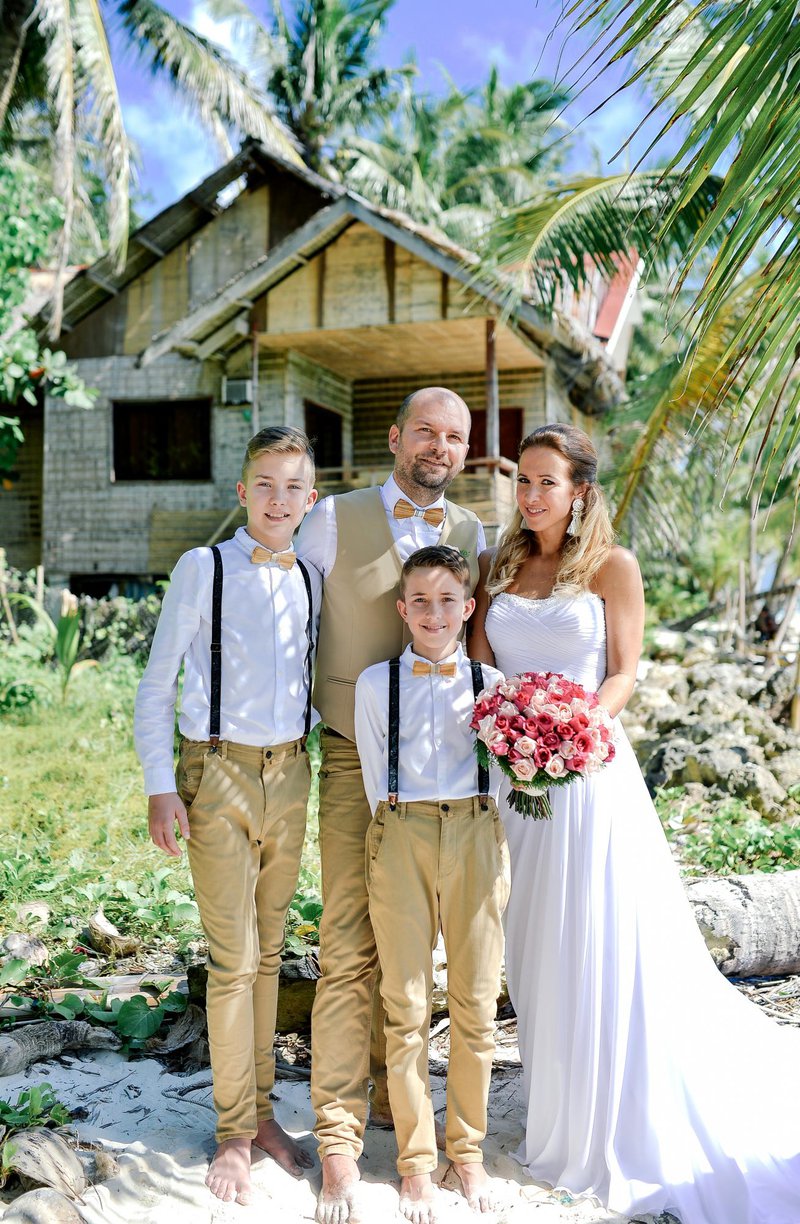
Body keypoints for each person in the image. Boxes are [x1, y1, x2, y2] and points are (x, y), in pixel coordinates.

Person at [468, 422, 800, 1224]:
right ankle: (556, 1097)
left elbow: (623, 672)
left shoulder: (611, 566)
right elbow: (480, 657)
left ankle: (606, 1111)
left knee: (593, 933)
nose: (532, 494)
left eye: (548, 481)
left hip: (587, 773)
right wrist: (511, 723)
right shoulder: (501, 563)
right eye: (524, 480)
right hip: (515, 773)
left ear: (580, 490)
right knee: (536, 936)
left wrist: (573, 727)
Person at [295, 387, 486, 1223]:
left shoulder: (474, 535)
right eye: (426, 432)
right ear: (395, 437)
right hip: (348, 758)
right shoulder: (334, 518)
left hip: (448, 784)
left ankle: (394, 1105)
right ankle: (338, 1144)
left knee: (421, 968)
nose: (439, 447)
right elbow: (276, 613)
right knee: (348, 949)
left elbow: (487, 647)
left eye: (455, 436)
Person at [134, 426, 321, 1206]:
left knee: (271, 955)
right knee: (233, 956)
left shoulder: (311, 573)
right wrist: (159, 783)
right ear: (243, 493)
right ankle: (234, 1132)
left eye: (294, 487)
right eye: (266, 485)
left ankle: (265, 1114)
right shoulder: (201, 566)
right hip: (218, 774)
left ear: (311, 501)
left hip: (292, 772)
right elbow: (157, 681)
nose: (280, 499)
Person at [354, 546, 509, 1223]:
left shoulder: (493, 683)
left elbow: (505, 773)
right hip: (401, 830)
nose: (434, 613)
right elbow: (369, 772)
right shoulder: (372, 685)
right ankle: (415, 1163)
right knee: (406, 1004)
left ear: (469, 608)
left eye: (448, 601)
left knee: (475, 1003)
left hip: (476, 829)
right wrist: (400, 831)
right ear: (402, 609)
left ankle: (466, 1150)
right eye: (421, 601)